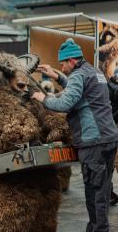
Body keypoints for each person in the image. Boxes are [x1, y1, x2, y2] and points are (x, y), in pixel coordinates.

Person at [32, 38, 118, 232]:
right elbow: (79, 89)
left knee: (94, 192)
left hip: (93, 141)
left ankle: (98, 229)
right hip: (108, 138)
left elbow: (65, 103)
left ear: (71, 61)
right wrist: (56, 76)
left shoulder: (79, 76)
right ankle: (97, 227)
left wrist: (42, 98)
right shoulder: (95, 72)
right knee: (103, 190)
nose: (61, 67)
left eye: (62, 64)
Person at [107, 68, 118, 205]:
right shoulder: (108, 86)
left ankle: (109, 193)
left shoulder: (108, 85)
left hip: (111, 125)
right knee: (110, 163)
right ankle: (108, 192)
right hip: (112, 126)